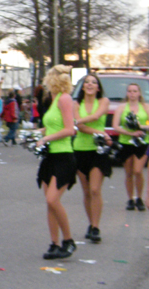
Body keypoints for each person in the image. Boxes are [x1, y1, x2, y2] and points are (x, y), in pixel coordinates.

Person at [36, 65, 77, 260]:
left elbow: (70, 129)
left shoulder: (65, 99)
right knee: (49, 204)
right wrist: (37, 134)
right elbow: (52, 127)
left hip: (64, 156)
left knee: (52, 199)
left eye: (48, 78)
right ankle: (54, 243)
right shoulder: (52, 100)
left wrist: (46, 138)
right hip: (50, 156)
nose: (45, 81)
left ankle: (68, 240)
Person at [73, 73, 111, 243]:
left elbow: (95, 117)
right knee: (87, 191)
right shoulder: (76, 104)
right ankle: (90, 223)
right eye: (86, 82)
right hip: (80, 149)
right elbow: (79, 127)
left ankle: (96, 227)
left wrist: (79, 121)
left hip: (98, 149)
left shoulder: (103, 101)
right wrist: (99, 131)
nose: (89, 84)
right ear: (82, 87)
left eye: (93, 82)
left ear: (98, 87)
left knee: (95, 189)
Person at [112, 82, 149, 211]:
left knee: (137, 171)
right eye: (129, 91)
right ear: (126, 93)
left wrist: (140, 127)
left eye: (135, 91)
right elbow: (115, 126)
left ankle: (139, 198)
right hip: (126, 142)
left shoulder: (145, 107)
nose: (132, 94)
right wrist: (130, 132)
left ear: (139, 93)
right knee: (129, 172)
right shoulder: (121, 107)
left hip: (141, 142)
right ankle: (130, 198)